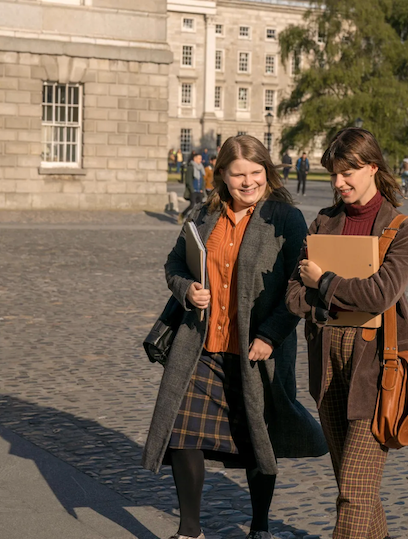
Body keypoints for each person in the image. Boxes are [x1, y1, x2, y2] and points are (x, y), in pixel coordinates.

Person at [142, 135, 328, 539]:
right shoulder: (203, 214)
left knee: (257, 439)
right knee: (181, 432)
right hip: (200, 346)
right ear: (221, 175)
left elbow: (299, 288)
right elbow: (175, 263)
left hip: (256, 350)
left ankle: (259, 526)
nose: (248, 182)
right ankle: (189, 530)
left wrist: (270, 335)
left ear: (268, 172)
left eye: (256, 173)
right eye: (239, 174)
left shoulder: (285, 218)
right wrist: (187, 289)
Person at [286, 127, 408, 539]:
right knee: (356, 488)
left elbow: (379, 294)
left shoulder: (404, 228)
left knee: (354, 493)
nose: (339, 183)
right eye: (333, 174)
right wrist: (330, 298)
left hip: (378, 368)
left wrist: (325, 283)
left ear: (373, 168)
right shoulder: (324, 222)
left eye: (348, 173)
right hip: (327, 363)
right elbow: (293, 296)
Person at [179, 152, 206, 224]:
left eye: (201, 158)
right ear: (195, 159)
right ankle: (182, 215)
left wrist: (202, 189)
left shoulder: (200, 167)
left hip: (199, 190)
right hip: (193, 190)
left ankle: (196, 220)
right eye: (199, 158)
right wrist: (192, 189)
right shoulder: (190, 167)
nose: (201, 160)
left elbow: (202, 179)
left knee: (200, 206)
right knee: (192, 205)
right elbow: (188, 180)